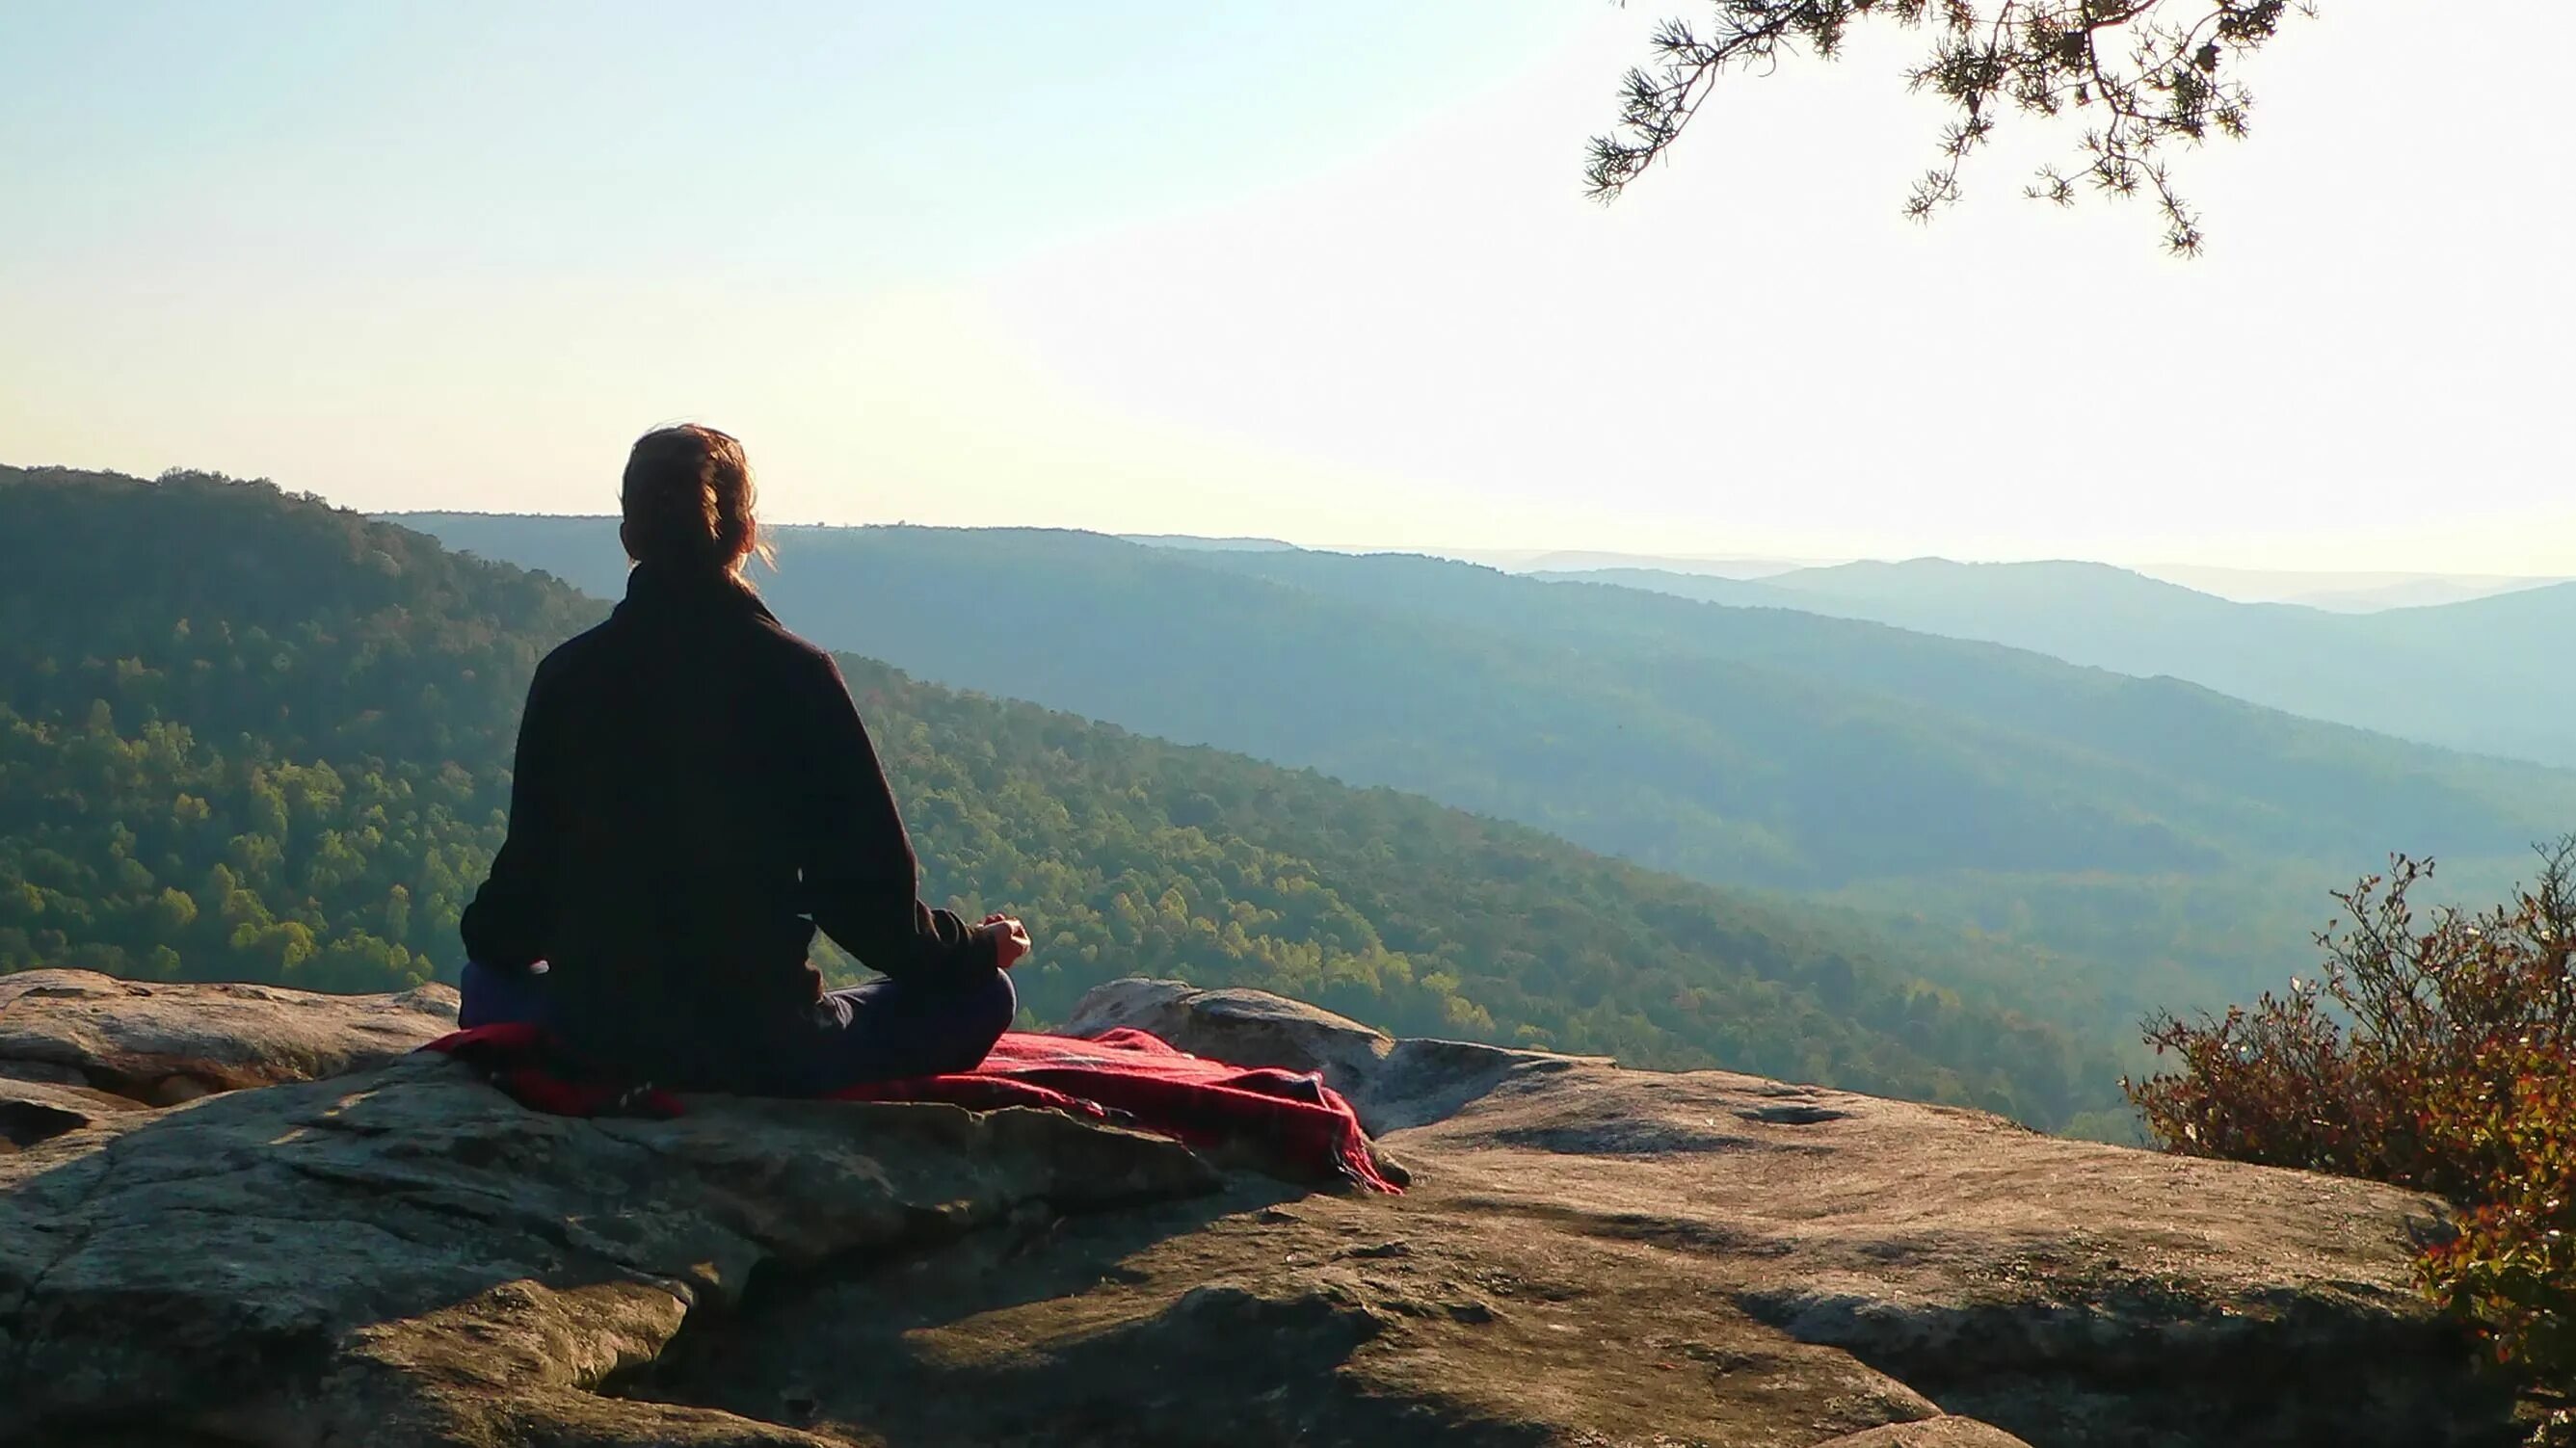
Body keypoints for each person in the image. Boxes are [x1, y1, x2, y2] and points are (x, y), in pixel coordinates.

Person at [456, 423, 1029, 1094]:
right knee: (985, 997)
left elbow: (518, 902)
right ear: (747, 533)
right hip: (763, 1049)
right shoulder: (798, 675)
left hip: (598, 1041)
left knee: (484, 981)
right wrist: (971, 949)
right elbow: (868, 908)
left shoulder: (567, 675)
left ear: (628, 537)